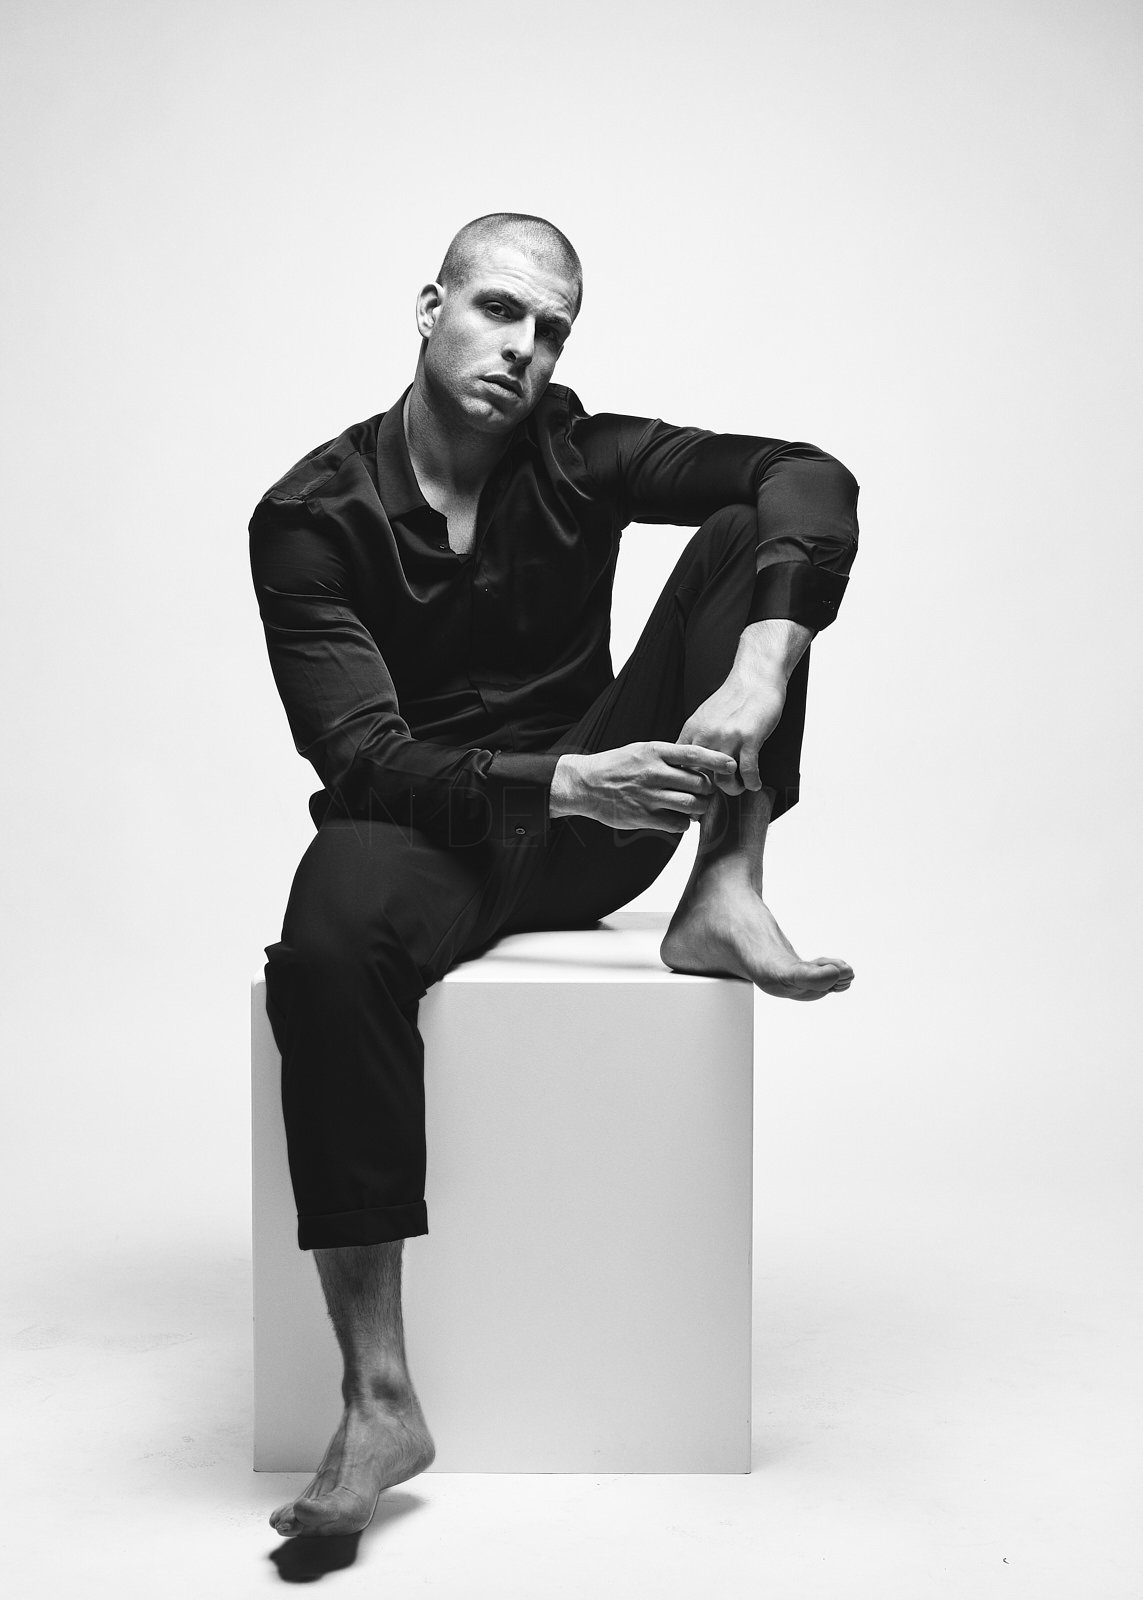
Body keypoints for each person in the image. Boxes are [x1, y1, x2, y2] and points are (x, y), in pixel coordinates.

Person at [249, 211, 859, 1537]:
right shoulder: (310, 516)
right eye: (499, 312)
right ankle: (379, 1399)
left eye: (551, 329)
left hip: (599, 820)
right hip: (434, 829)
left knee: (749, 541)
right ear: (431, 307)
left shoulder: (580, 457)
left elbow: (810, 476)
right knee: (322, 944)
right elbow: (361, 760)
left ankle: (726, 892)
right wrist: (558, 782)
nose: (523, 349)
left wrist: (762, 663)